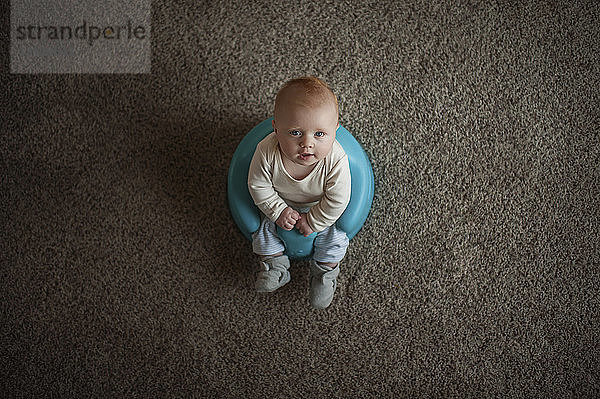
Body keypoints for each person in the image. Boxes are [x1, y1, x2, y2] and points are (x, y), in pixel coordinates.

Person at [247, 76, 351, 309]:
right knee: (263, 232)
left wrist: (315, 221)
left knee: (334, 238)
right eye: (295, 133)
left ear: (335, 129)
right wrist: (278, 211)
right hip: (280, 202)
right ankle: (275, 266)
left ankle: (324, 274)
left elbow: (338, 199)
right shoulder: (266, 151)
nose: (307, 144)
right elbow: (258, 185)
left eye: (320, 134)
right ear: (276, 129)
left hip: (319, 206)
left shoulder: (336, 160)